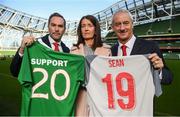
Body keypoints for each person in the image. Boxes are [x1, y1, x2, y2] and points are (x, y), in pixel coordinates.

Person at [111, 9, 173, 84]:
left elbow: (168, 79)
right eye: (117, 24)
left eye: (126, 23)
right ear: (113, 27)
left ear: (132, 24)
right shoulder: (111, 51)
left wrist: (160, 70)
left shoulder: (150, 46)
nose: (122, 28)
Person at [70, 15, 111, 116]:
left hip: (101, 97)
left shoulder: (107, 50)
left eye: (89, 25)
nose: (86, 29)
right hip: (80, 95)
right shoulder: (73, 51)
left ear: (95, 29)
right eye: (83, 26)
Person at [10, 12, 70, 77]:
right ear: (48, 27)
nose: (56, 29)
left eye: (60, 26)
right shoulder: (34, 45)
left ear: (64, 30)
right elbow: (15, 72)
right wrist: (22, 49)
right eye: (53, 25)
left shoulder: (67, 51)